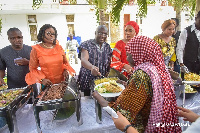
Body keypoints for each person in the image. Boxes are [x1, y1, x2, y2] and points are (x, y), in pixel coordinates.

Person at [93, 36, 181, 132]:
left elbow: (122, 113)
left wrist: (99, 98)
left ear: (139, 54)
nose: (127, 58)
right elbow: (149, 92)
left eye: (129, 55)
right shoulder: (158, 68)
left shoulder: (141, 75)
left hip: (144, 126)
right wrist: (128, 84)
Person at [25, 24, 75, 88]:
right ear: (42, 35)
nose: (51, 36)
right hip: (47, 84)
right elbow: (32, 69)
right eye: (48, 33)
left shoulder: (59, 47)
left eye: (53, 34)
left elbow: (65, 62)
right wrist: (42, 79)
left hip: (62, 83)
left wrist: (66, 70)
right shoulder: (36, 49)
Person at [78, 25, 112, 96]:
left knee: (101, 98)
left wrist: (108, 72)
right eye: (100, 33)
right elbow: (84, 59)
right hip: (88, 78)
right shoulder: (86, 44)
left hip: (101, 79)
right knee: (87, 100)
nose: (102, 36)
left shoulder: (107, 47)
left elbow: (109, 61)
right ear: (95, 33)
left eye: (105, 34)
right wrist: (91, 67)